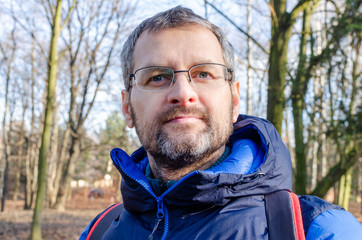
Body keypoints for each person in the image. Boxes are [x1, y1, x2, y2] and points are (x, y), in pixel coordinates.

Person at [80, 6, 361, 240]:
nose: (183, 94)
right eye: (157, 77)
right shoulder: (98, 232)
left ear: (234, 99)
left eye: (203, 74)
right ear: (127, 107)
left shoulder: (321, 231)